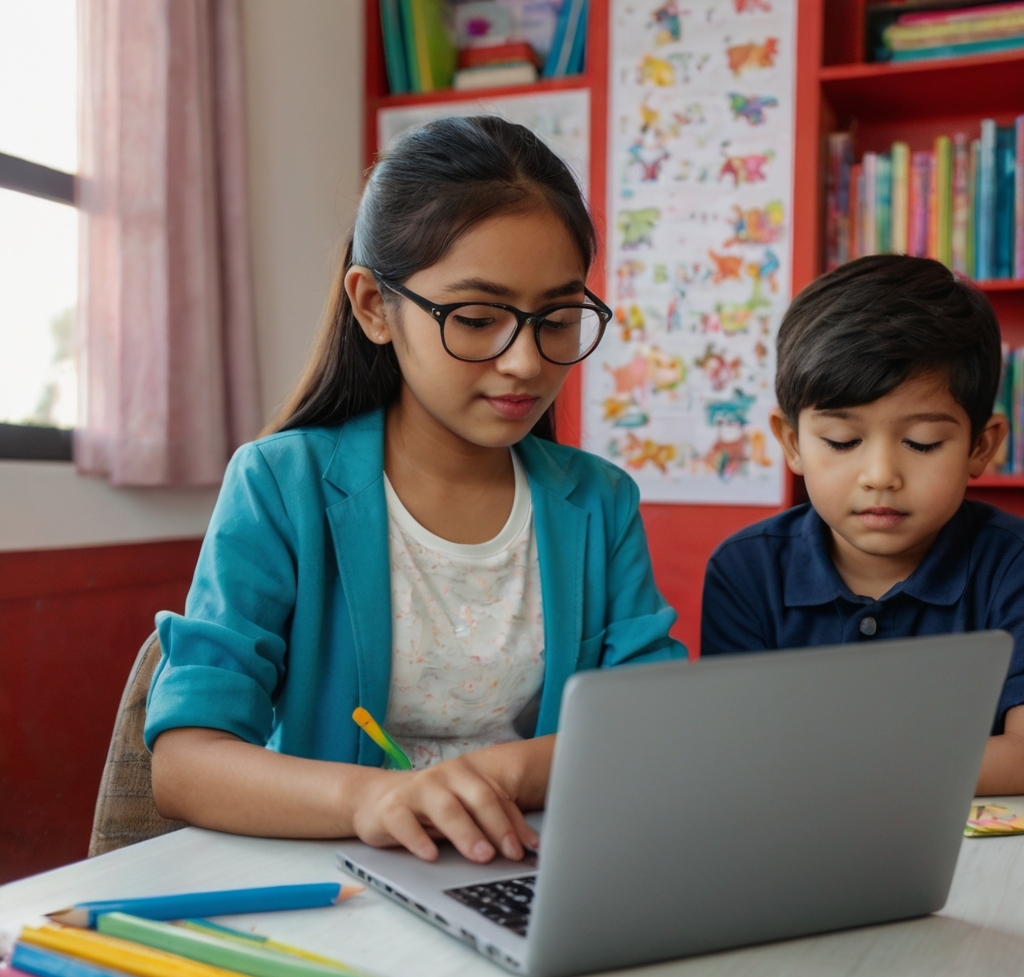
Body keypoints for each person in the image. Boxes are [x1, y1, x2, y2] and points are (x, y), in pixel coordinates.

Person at [147, 115, 685, 865]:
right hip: (331, 877)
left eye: (557, 318)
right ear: (374, 306)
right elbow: (184, 764)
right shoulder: (283, 485)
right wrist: (371, 799)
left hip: (534, 870)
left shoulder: (598, 503)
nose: (526, 362)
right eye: (475, 318)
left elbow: (654, 726)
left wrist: (501, 774)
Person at [701, 254, 1024, 795]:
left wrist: (841, 771)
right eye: (843, 442)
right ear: (792, 442)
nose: (880, 476)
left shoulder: (1011, 566)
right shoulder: (746, 571)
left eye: (922, 442)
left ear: (981, 446)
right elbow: (735, 755)